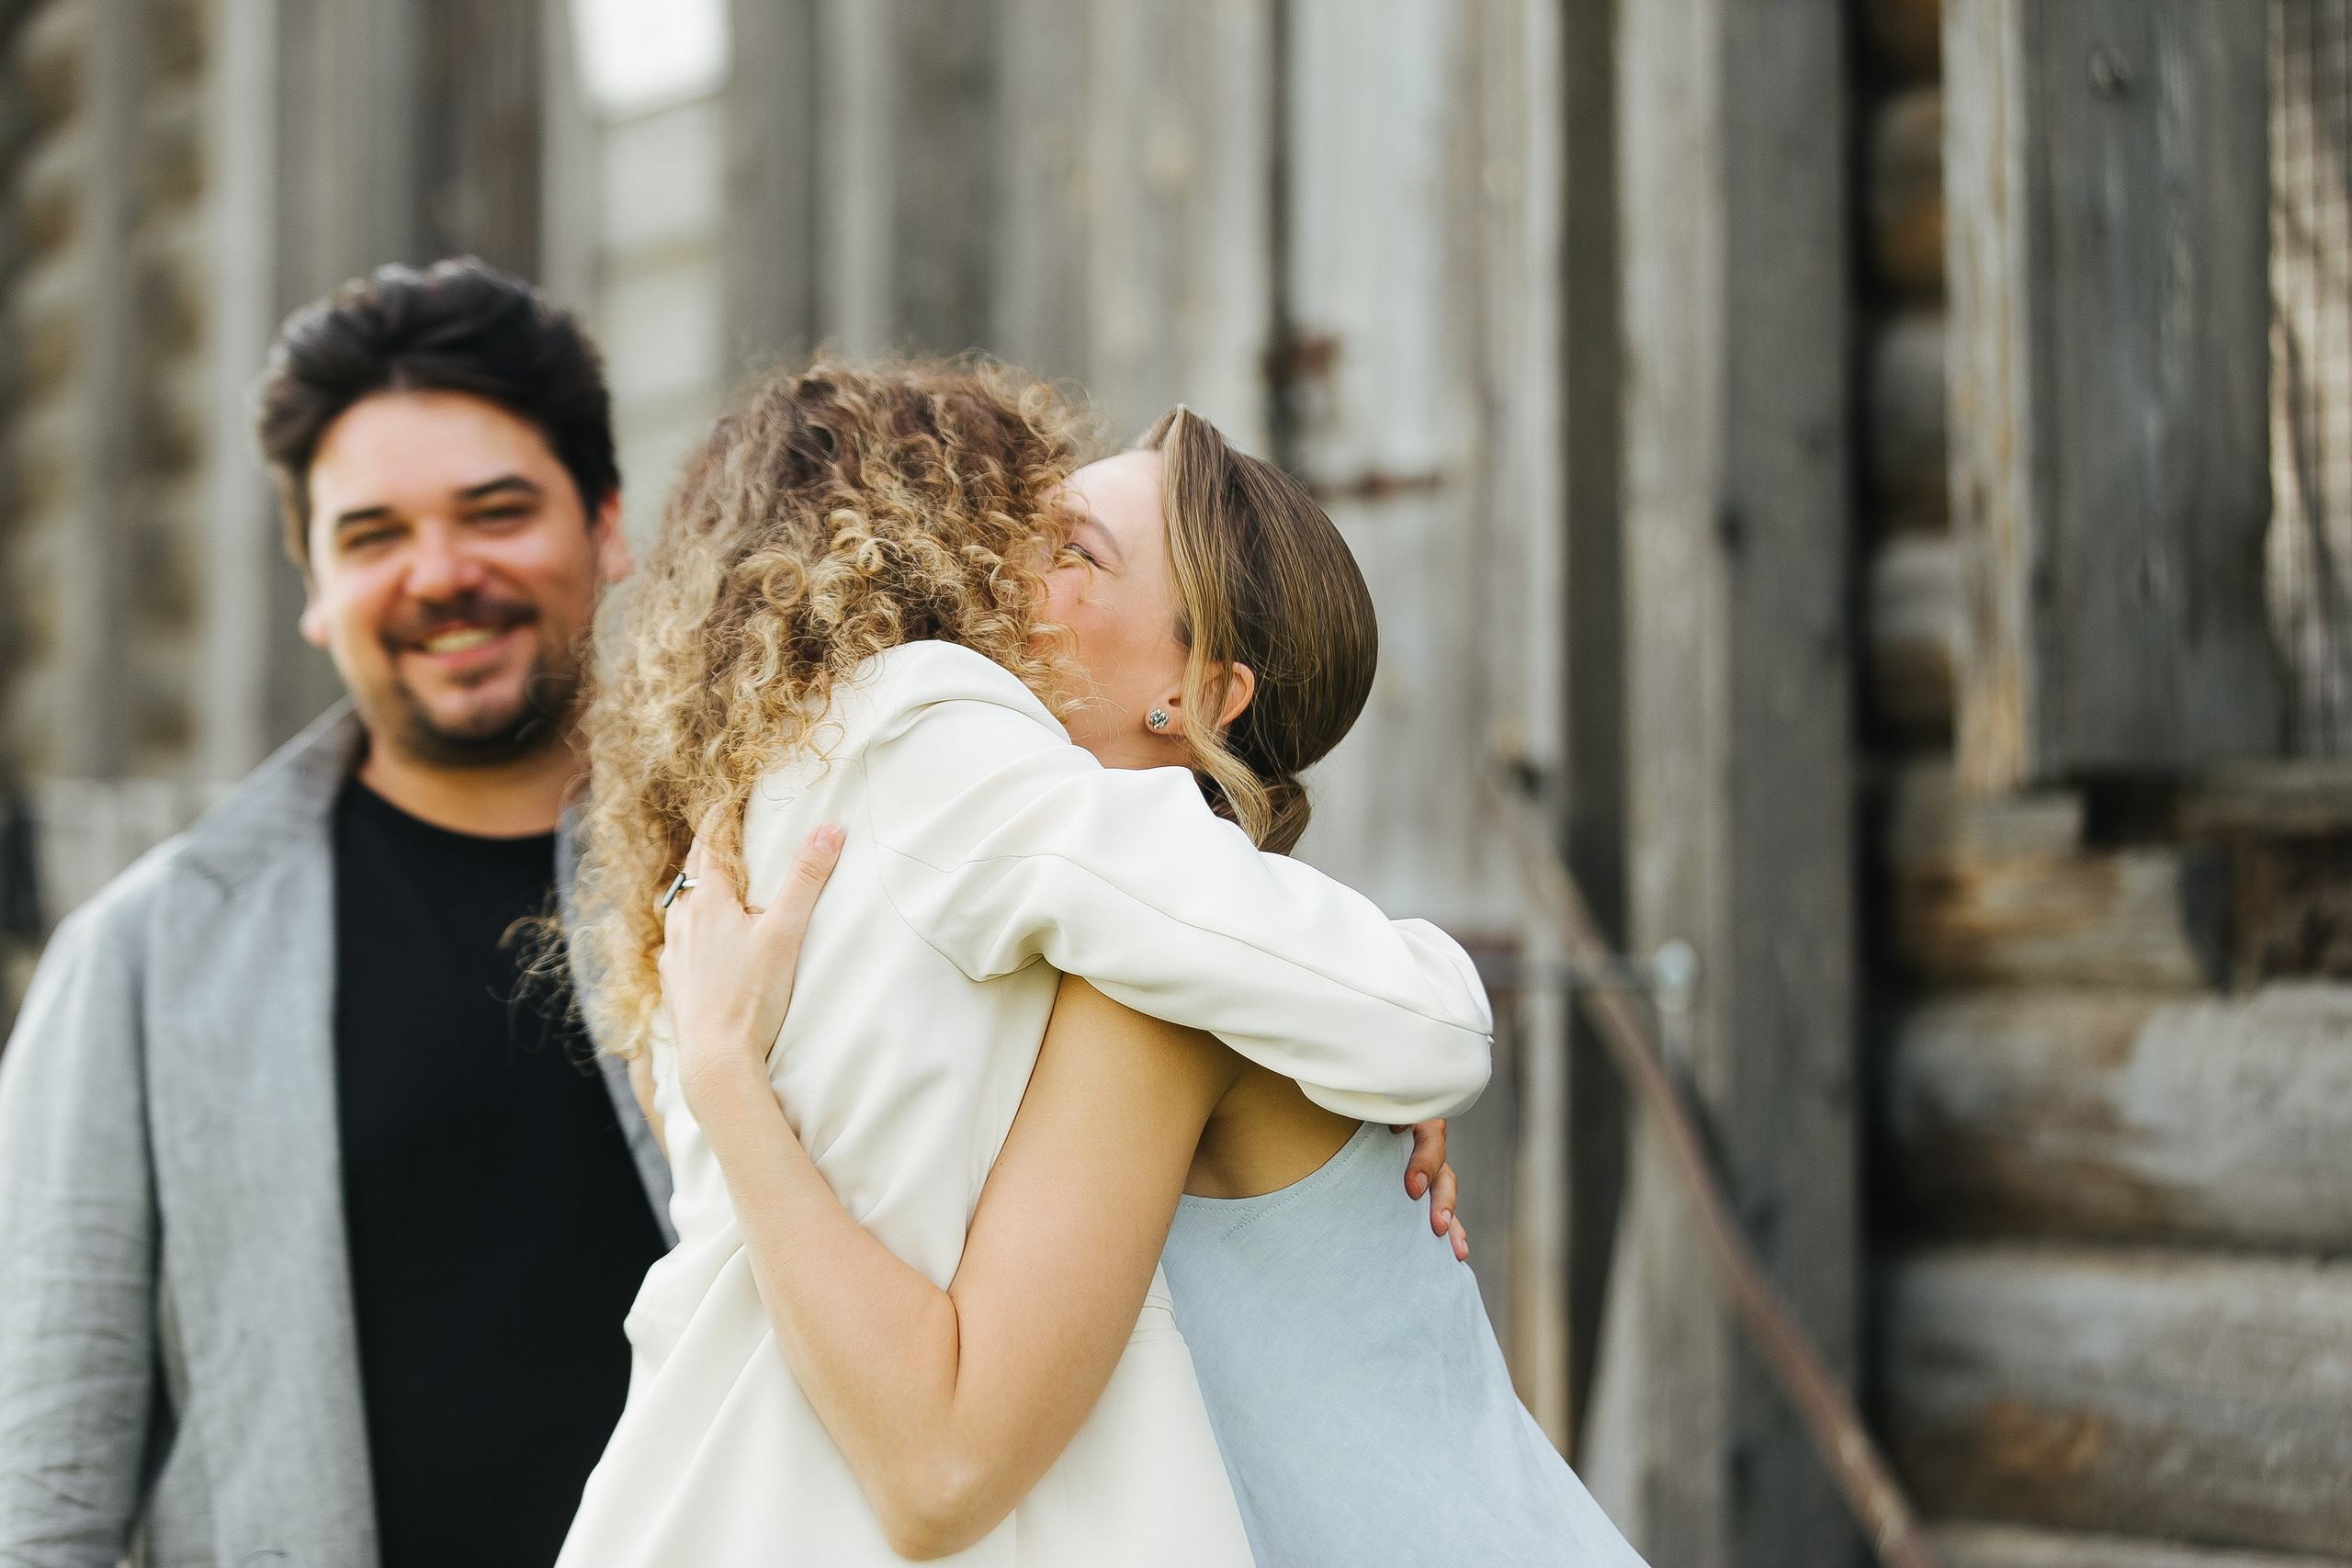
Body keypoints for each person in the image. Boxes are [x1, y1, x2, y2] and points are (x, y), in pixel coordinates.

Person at [641, 387, 1650, 1565]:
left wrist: (726, 1078)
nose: (1001, 558)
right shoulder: (1115, 951)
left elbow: (941, 1466)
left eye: (1073, 552)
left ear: (1201, 696)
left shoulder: (1157, 998)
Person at [0, 259, 673, 1567]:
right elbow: (39, 1476)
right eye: (372, 535)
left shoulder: (761, 875)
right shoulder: (146, 960)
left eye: (495, 511)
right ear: (313, 583)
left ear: (607, 525)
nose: (441, 573)